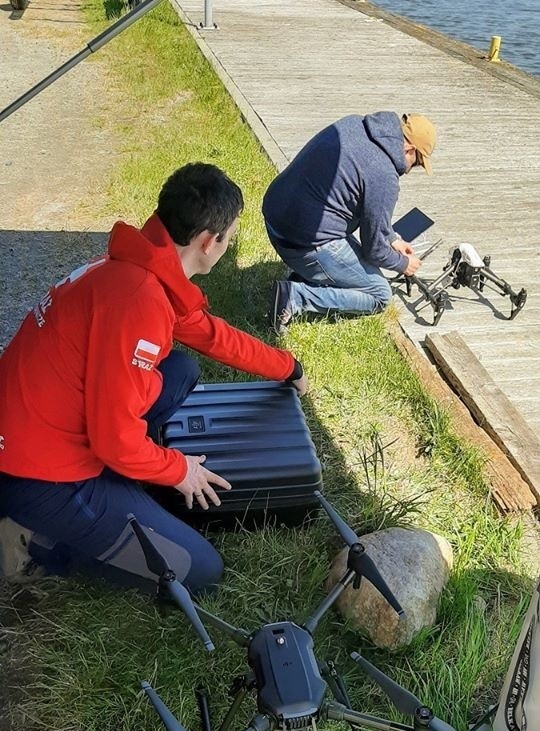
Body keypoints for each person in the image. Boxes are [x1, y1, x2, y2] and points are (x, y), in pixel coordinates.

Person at [0, 163, 308, 594]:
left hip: (40, 429)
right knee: (198, 570)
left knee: (181, 369)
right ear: (208, 242)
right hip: (42, 476)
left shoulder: (141, 267)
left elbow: (211, 334)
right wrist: (178, 470)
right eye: (229, 239)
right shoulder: (138, 302)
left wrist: (288, 366)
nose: (227, 246)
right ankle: (32, 541)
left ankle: (119, 490)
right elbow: (114, 440)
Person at [263, 112, 437, 333]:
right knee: (380, 294)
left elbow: (365, 208)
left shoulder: (355, 124)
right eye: (418, 163)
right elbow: (374, 251)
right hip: (300, 243)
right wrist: (404, 264)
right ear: (410, 150)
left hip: (275, 217)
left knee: (356, 256)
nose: (411, 170)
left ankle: (307, 277)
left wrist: (392, 238)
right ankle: (295, 298)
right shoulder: (385, 175)